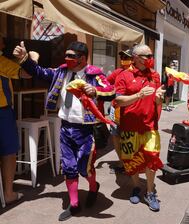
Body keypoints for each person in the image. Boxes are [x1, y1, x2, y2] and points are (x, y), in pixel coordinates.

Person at [13, 41, 115, 221]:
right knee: (69, 167)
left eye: (71, 56)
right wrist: (25, 60)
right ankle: (74, 204)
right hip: (66, 127)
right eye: (66, 55)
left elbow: (111, 90)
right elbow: (40, 72)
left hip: (87, 130)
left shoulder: (94, 74)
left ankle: (93, 187)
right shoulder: (61, 72)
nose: (66, 59)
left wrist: (95, 91)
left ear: (82, 58)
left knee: (85, 168)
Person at [115, 44, 165, 211]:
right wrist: (138, 95)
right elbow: (118, 100)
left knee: (151, 159)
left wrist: (159, 98)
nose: (150, 58)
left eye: (151, 55)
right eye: (146, 56)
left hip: (150, 126)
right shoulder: (124, 75)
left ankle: (150, 192)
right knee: (131, 160)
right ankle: (136, 186)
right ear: (135, 57)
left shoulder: (155, 76)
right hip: (129, 126)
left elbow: (158, 101)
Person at [0, 34, 35, 205]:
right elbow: (27, 74)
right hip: (2, 111)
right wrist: (32, 57)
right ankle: (8, 193)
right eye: (1, 38)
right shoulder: (1, 62)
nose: (4, 41)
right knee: (9, 152)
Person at [106, 48, 134, 174]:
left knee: (129, 138)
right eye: (122, 57)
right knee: (116, 136)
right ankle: (122, 162)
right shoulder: (118, 71)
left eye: (126, 57)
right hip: (115, 109)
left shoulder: (137, 73)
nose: (123, 60)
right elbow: (105, 82)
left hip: (131, 110)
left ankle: (131, 163)